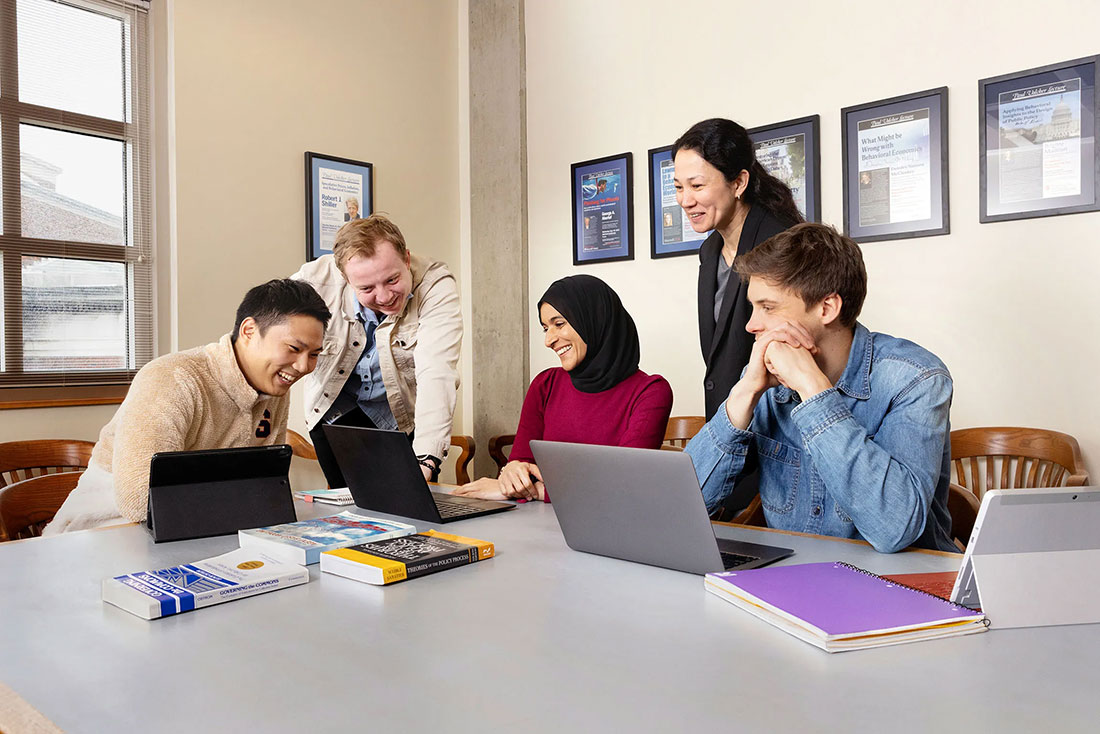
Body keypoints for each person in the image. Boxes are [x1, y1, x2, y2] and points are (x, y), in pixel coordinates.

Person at [684, 223, 956, 553]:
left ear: (827, 308)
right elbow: (682, 507)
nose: (751, 325)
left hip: (903, 586)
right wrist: (745, 391)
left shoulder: (915, 378)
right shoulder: (765, 380)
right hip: (795, 582)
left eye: (768, 307)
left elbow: (894, 530)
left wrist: (813, 389)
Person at [44, 279, 330, 534]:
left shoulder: (273, 386)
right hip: (105, 529)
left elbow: (264, 483)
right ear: (249, 331)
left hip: (198, 528)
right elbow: (139, 499)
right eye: (294, 349)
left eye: (314, 354)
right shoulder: (172, 378)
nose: (304, 366)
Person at [453, 275, 672, 502]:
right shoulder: (545, 384)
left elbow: (624, 482)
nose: (549, 340)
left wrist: (541, 491)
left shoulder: (651, 392)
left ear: (594, 319)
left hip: (610, 529)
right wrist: (511, 473)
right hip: (535, 524)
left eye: (559, 324)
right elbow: (521, 466)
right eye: (545, 328)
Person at [292, 214, 462, 486]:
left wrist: (427, 458)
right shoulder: (315, 280)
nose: (384, 297)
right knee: (352, 512)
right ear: (346, 279)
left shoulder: (435, 286)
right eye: (367, 288)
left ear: (406, 259)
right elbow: (265, 335)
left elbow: (437, 371)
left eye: (392, 280)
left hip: (398, 417)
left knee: (414, 509)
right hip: (336, 412)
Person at [672, 118, 804, 422]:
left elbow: (794, 347)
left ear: (738, 183)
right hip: (730, 421)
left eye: (697, 185)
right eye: (679, 187)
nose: (685, 200)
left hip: (776, 424)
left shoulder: (781, 242)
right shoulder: (710, 250)